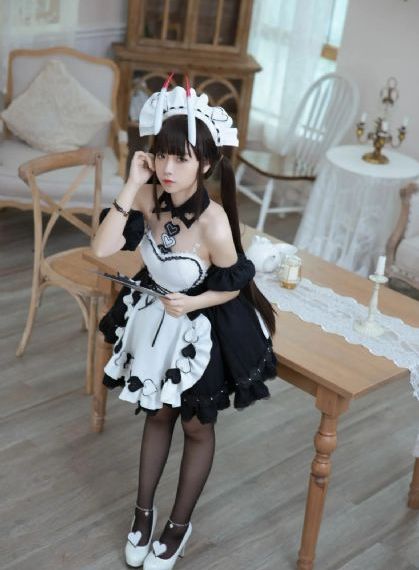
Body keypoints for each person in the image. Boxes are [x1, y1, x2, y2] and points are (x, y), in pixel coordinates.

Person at [92, 77, 277, 570]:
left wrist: (195, 303)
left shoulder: (214, 222)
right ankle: (143, 514)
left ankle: (177, 526)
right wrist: (132, 184)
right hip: (156, 318)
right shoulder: (148, 196)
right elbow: (102, 248)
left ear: (207, 164)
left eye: (182, 158)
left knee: (195, 426)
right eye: (162, 156)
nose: (169, 169)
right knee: (157, 415)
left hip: (201, 327)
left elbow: (236, 281)